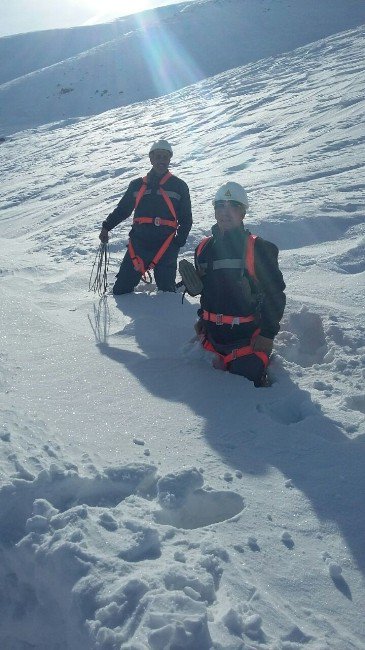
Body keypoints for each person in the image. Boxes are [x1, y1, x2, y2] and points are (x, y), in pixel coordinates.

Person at [194, 182, 286, 387]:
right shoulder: (203, 248)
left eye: (233, 206)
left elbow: (276, 295)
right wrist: (203, 318)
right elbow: (209, 291)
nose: (225, 212)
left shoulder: (259, 248)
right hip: (211, 341)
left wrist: (267, 334)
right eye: (220, 206)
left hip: (246, 342)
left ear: (243, 213)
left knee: (244, 393)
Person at [99, 139, 192, 294]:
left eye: (165, 157)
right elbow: (123, 210)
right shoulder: (137, 185)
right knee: (121, 291)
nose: (161, 160)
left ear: (169, 159)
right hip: (139, 244)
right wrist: (106, 226)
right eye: (158, 156)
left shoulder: (179, 186)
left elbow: (186, 218)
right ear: (151, 158)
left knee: (166, 294)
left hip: (166, 245)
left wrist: (177, 243)